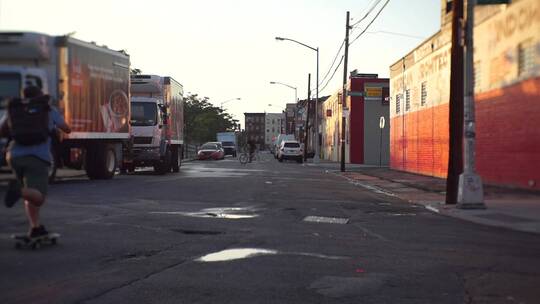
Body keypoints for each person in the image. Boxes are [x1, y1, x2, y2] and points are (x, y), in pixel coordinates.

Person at [1, 86, 71, 238]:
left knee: (31, 193)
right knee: (39, 197)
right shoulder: (48, 109)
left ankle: (35, 227)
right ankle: (17, 191)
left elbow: (2, 129)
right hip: (37, 157)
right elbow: (67, 129)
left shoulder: (16, 109)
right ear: (40, 95)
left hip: (14, 156)